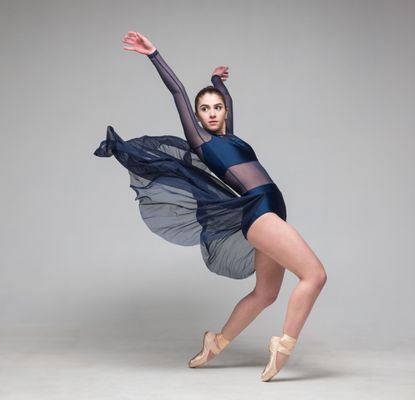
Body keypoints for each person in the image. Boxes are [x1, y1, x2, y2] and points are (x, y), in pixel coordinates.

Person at [94, 31, 327, 381]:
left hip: (272, 210)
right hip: (258, 211)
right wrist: (153, 54)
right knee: (314, 275)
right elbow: (177, 91)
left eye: (217, 107)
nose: (213, 113)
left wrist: (217, 80)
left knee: (265, 294)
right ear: (198, 118)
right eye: (205, 109)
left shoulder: (229, 135)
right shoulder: (200, 140)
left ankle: (215, 342)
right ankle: (284, 345)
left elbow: (225, 98)